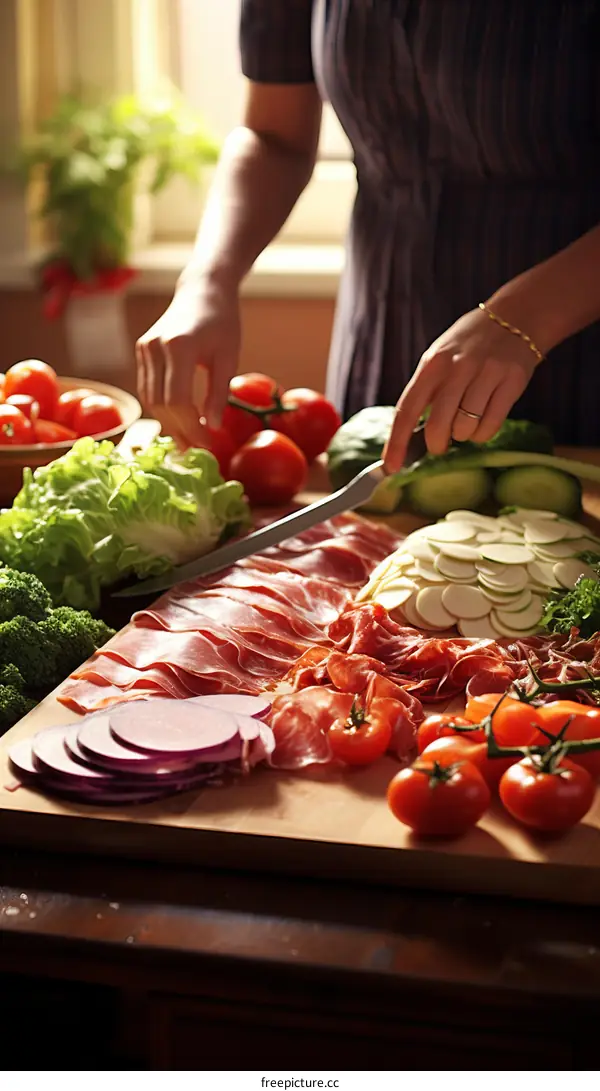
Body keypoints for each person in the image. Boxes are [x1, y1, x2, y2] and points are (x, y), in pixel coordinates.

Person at [136, 0, 600, 470]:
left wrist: (525, 317)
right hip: (382, 339)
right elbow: (274, 136)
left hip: (579, 363)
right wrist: (207, 279)